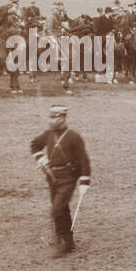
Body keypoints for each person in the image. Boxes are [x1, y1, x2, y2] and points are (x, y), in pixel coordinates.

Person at [29, 104, 90, 257]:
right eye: (51, 117)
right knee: (61, 208)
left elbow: (84, 159)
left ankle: (59, 242)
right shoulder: (48, 134)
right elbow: (35, 144)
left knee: (57, 208)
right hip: (52, 177)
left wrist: (84, 181)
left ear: (63, 118)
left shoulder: (73, 137)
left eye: (56, 117)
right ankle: (68, 241)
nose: (52, 121)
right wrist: (40, 158)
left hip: (68, 177)